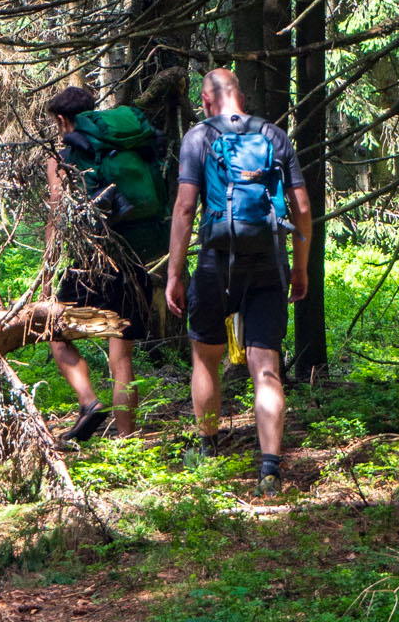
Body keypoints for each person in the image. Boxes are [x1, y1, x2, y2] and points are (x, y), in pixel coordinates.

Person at [165, 69, 314, 494]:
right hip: (268, 259)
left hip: (216, 260)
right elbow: (301, 207)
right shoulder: (274, 135)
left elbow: (184, 207)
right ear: (241, 97)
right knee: (266, 367)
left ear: (207, 101)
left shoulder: (198, 137)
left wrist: (175, 274)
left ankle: (208, 450)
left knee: (205, 356)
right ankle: (270, 469)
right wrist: (299, 267)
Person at [43, 85, 169, 442]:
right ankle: (127, 442)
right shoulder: (124, 148)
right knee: (122, 359)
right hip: (134, 260)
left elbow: (58, 215)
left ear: (64, 119)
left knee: (54, 332)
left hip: (90, 266)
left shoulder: (65, 157)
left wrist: (49, 270)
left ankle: (89, 402)